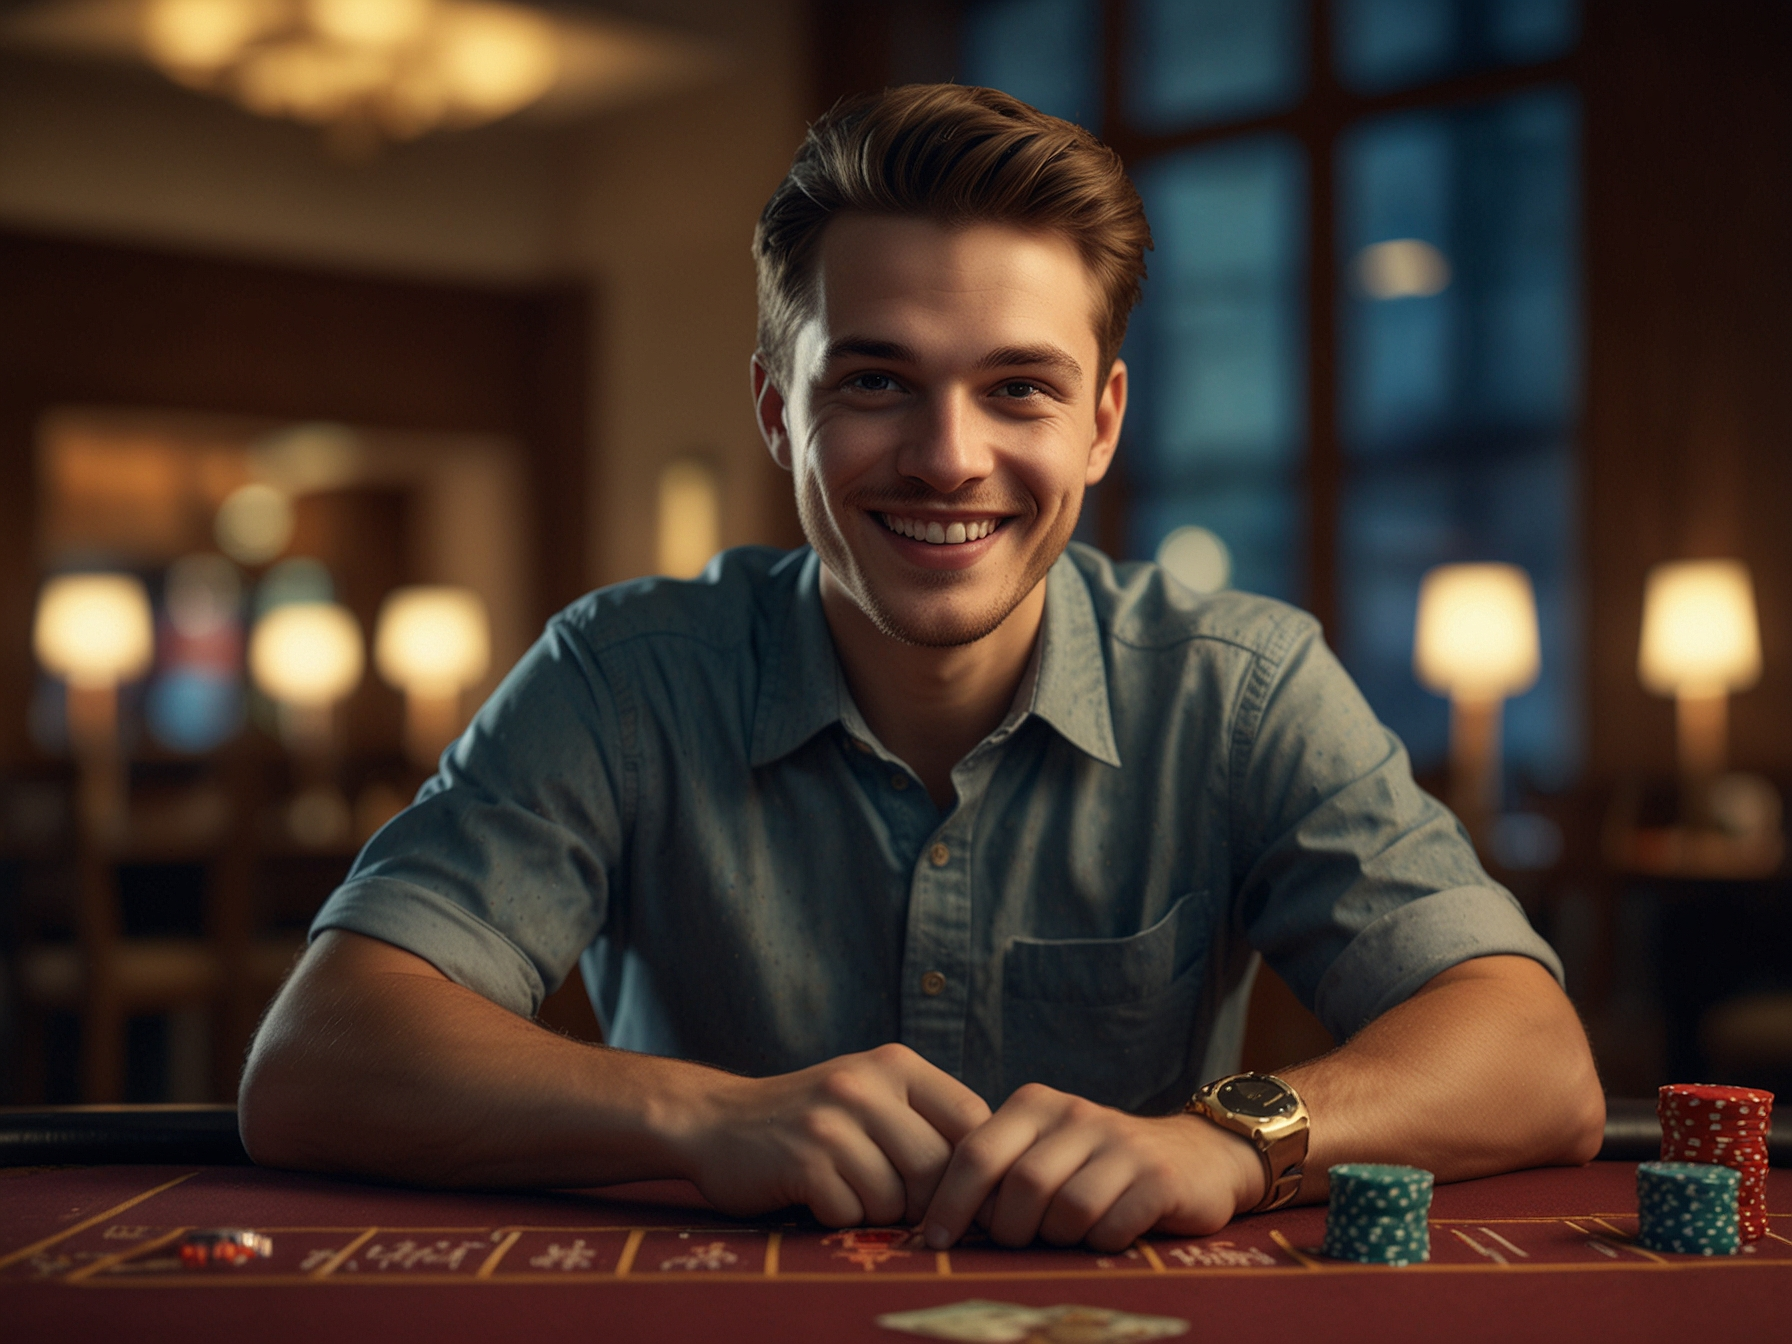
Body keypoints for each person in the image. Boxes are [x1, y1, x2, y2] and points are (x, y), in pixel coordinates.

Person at [239, 84, 1604, 1254]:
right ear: (781, 409)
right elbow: (317, 1060)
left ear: (1102, 423)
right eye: (877, 381)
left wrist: (1228, 1144)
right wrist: (706, 1117)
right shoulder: (619, 674)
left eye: (1020, 387)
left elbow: (1536, 1060)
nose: (949, 457)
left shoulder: (1240, 685)